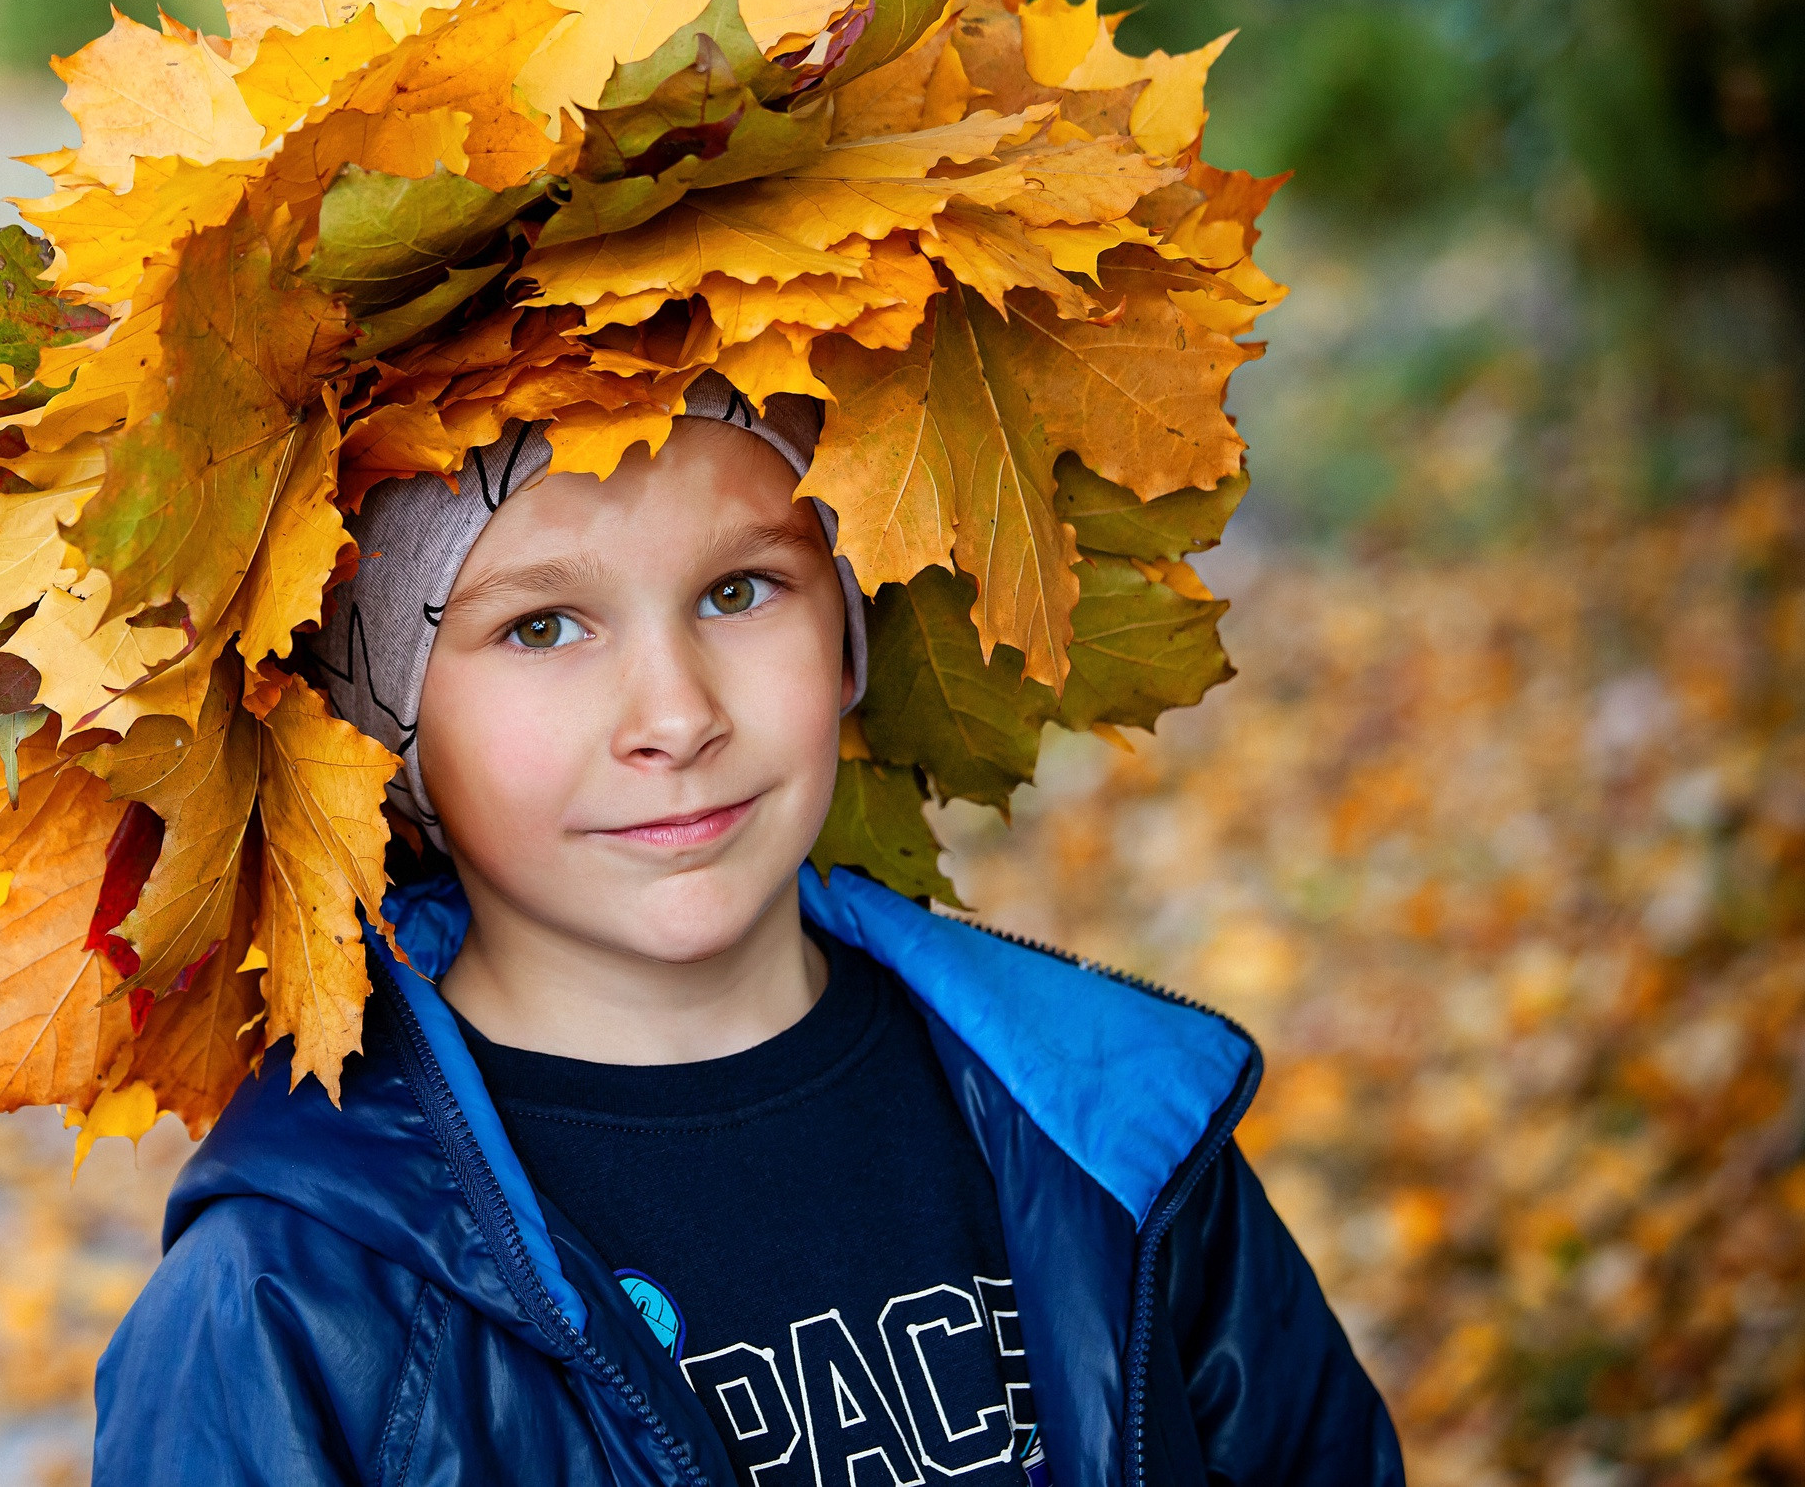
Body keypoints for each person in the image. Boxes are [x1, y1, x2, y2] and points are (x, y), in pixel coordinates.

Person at [86, 374, 1405, 1487]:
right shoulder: (288, 1303)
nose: (675, 714)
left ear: (848, 630)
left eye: (739, 592)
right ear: (384, 736)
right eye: (542, 627)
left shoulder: (1103, 1140)